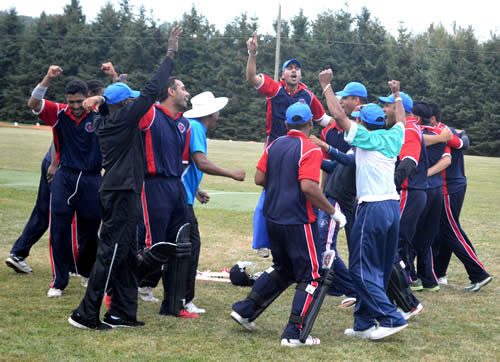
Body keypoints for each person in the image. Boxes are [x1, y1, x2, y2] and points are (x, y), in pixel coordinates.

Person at [68, 25, 183, 330]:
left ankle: (121, 312)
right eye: (129, 100)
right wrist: (170, 53)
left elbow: (107, 103)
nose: (135, 103)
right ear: (122, 105)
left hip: (120, 189)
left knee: (127, 252)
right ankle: (85, 314)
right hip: (121, 191)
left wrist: (104, 97)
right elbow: (151, 90)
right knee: (112, 252)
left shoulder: (108, 116)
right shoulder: (122, 118)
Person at [231, 102, 346, 347]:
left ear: (286, 124)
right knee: (313, 275)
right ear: (310, 124)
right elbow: (308, 187)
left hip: (273, 218)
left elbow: (259, 178)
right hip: (298, 221)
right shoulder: (310, 149)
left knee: (284, 268)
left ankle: (245, 309)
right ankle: (295, 333)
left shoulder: (274, 145)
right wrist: (332, 212)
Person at [320, 68, 408, 340]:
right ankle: (364, 323)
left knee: (360, 269)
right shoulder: (394, 136)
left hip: (373, 208)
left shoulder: (365, 139)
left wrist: (326, 87)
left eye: (357, 119)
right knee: (378, 267)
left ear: (363, 123)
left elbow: (338, 115)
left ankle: (391, 317)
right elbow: (402, 119)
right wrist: (397, 95)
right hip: (392, 208)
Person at [245, 31, 332, 258]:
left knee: (301, 189)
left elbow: (325, 120)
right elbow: (252, 78)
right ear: (283, 74)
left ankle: (300, 234)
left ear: (300, 74)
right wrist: (251, 54)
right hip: (276, 147)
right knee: (268, 188)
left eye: (297, 68)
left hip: (300, 148)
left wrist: (348, 123)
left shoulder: (308, 95)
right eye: (289, 68)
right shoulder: (275, 89)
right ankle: (264, 241)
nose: (294, 71)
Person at [6, 80, 106, 275]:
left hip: (63, 165)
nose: (78, 105)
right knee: (59, 213)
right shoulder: (67, 112)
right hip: (61, 166)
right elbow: (56, 135)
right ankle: (71, 266)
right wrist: (54, 163)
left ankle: (19, 252)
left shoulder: (93, 111)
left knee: (48, 211)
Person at [28, 66, 102, 298]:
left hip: (91, 180)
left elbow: (129, 101)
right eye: (72, 102)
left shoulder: (100, 112)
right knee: (58, 230)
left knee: (90, 233)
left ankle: (87, 271)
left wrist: (100, 97)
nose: (76, 107)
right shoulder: (59, 113)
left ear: (87, 97)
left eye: (80, 101)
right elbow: (34, 103)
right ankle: (59, 281)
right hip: (64, 178)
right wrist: (48, 78)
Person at [181, 91, 246, 314]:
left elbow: (181, 162)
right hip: (180, 199)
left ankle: (145, 287)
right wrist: (232, 174)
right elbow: (201, 162)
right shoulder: (197, 128)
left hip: (180, 193)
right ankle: (183, 299)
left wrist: (196, 189)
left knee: (175, 245)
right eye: (217, 111)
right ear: (210, 114)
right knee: (190, 247)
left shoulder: (186, 124)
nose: (218, 115)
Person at [138, 74, 194, 318]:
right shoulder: (150, 114)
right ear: (171, 92)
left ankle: (172, 307)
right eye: (183, 88)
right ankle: (120, 287)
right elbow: (132, 105)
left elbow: (181, 160)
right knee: (154, 247)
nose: (187, 93)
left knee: (180, 245)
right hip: (153, 186)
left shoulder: (185, 124)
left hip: (176, 186)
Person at [428, 103, 492, 292]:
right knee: (443, 230)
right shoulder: (442, 131)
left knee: (451, 230)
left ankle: (479, 273)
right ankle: (439, 273)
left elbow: (462, 142)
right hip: (452, 187)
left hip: (449, 188)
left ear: (432, 119)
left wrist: (455, 135)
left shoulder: (442, 133)